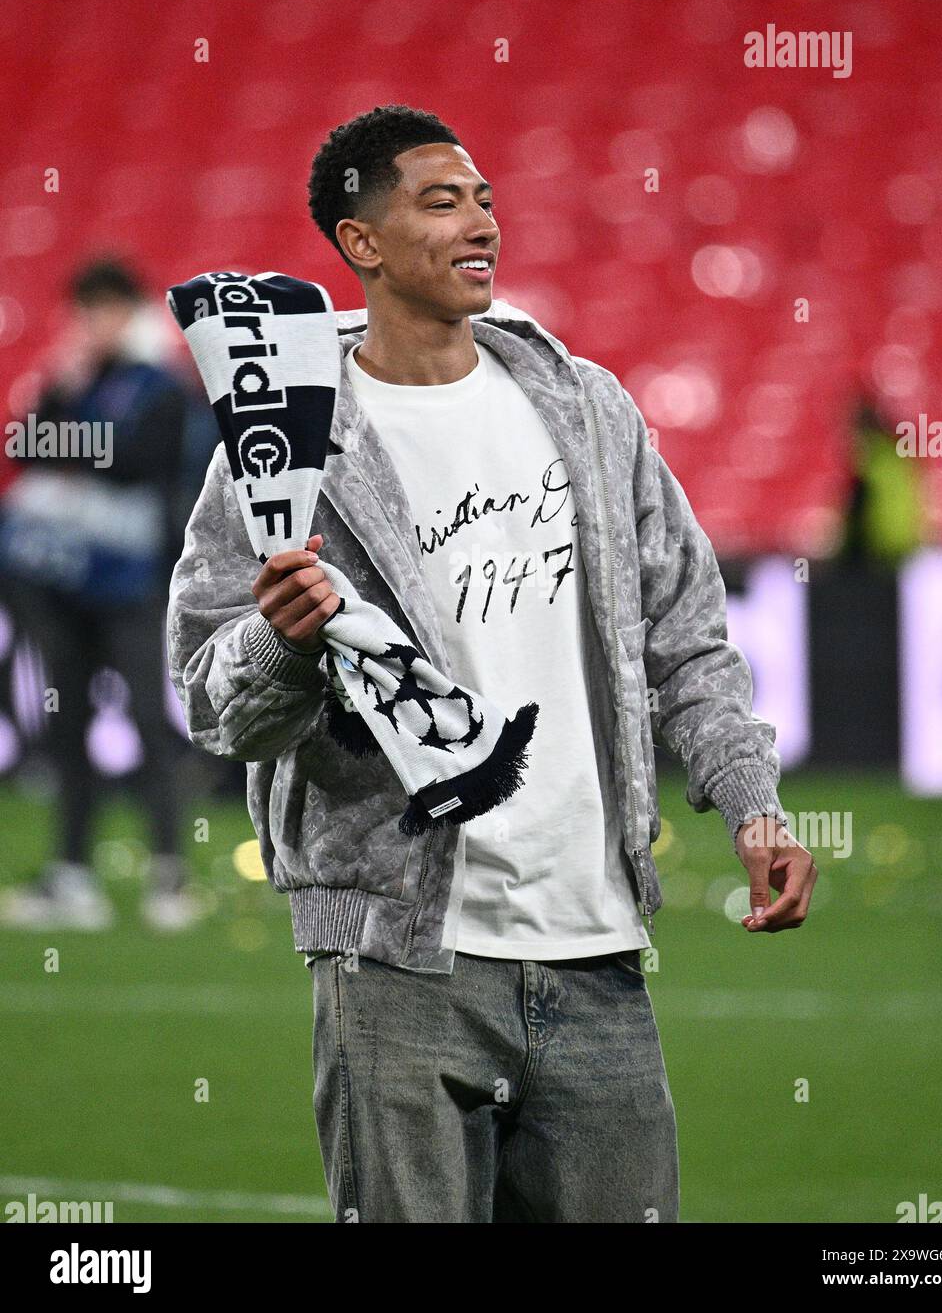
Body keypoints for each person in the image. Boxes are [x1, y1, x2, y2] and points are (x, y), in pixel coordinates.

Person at [167, 104, 817, 1222]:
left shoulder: (587, 410)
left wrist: (751, 802)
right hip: (398, 961)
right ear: (359, 241)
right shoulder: (284, 442)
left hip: (598, 944)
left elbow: (684, 637)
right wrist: (281, 642)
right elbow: (212, 704)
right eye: (439, 201)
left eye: (483, 200)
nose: (479, 223)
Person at [0, 256, 201, 931]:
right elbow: (24, 442)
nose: (97, 322)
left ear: (133, 313)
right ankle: (71, 875)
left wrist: (77, 445)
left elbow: (142, 459)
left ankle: (169, 875)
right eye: (89, 309)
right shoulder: (73, 380)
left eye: (110, 308)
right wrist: (69, 407)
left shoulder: (162, 388)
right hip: (68, 585)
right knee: (68, 727)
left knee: (149, 720)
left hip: (134, 584)